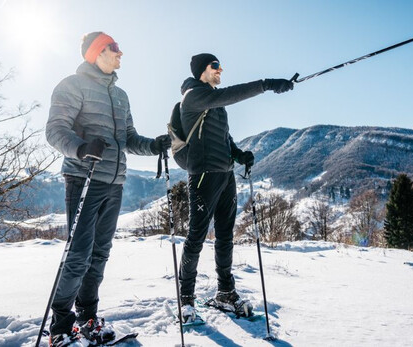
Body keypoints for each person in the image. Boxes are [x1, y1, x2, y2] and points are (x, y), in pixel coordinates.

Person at [45, 32, 171, 347]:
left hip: (115, 183)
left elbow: (129, 137)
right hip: (84, 178)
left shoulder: (121, 95)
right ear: (97, 53)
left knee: (100, 254)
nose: (120, 54)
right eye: (113, 48)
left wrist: (153, 145)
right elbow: (55, 130)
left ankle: (88, 318)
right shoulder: (72, 86)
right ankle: (60, 328)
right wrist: (82, 146)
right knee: (79, 255)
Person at [178, 53, 293, 323]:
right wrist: (265, 84)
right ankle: (186, 298)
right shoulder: (194, 96)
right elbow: (230, 94)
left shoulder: (215, 104)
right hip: (204, 176)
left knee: (225, 236)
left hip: (225, 175)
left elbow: (223, 137)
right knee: (196, 236)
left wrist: (239, 154)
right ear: (201, 71)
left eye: (220, 66)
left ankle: (225, 292)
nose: (221, 69)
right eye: (215, 66)